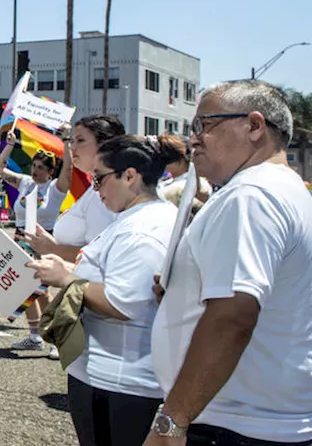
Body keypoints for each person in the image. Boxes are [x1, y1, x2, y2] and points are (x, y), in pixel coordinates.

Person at [147, 80, 312, 446]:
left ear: (254, 126)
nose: (194, 140)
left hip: (233, 426)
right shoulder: (286, 190)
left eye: (204, 125)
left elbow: (233, 315)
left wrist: (172, 422)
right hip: (255, 419)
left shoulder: (250, 196)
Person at [30, 136, 182, 446]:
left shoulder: (143, 229)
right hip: (109, 375)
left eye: (99, 179)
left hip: (119, 382)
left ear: (130, 176)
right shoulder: (138, 218)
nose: (95, 189)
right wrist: (70, 270)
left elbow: (122, 302)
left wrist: (66, 278)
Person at [0, 130, 65, 353]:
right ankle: (34, 336)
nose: (35, 171)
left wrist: (66, 142)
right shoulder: (25, 182)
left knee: (43, 291)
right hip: (20, 239)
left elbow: (69, 173)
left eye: (41, 168)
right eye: (34, 166)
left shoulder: (55, 189)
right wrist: (9, 146)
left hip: (42, 242)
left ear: (51, 172)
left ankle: (55, 337)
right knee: (24, 289)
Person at [26, 115, 125, 262]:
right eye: (72, 141)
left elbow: (100, 256)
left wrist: (53, 249)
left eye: (80, 140)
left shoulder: (107, 194)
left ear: (105, 145)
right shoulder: (96, 188)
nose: (73, 147)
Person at [153, 133, 212, 212]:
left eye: (166, 158)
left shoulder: (193, 184)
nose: (162, 163)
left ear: (182, 158)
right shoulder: (167, 181)